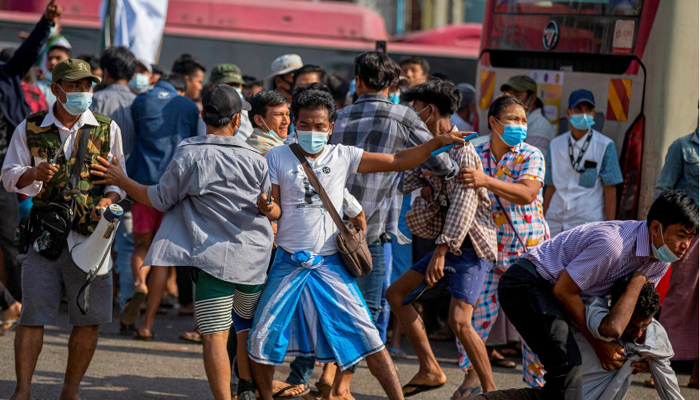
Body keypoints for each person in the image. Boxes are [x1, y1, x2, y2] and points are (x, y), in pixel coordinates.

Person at [248, 85, 468, 400]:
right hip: (289, 261)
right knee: (262, 338)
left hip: (332, 264)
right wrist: (268, 207)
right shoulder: (277, 155)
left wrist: (436, 143)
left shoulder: (343, 154)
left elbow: (396, 159)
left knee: (368, 338)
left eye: (319, 126)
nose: (312, 131)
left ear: (331, 127)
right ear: (295, 125)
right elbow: (278, 208)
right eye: (305, 125)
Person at [91, 84, 271, 400]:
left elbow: (160, 199)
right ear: (237, 119)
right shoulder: (257, 157)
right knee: (244, 327)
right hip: (255, 259)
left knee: (214, 336)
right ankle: (246, 386)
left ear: (203, 115)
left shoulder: (191, 152)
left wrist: (122, 181)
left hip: (214, 259)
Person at [489, 189, 697, 400]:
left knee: (571, 385)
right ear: (655, 228)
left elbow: (636, 312)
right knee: (568, 369)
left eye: (691, 238)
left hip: (562, 296)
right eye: (681, 236)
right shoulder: (613, 246)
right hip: (528, 284)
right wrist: (600, 344)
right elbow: (563, 291)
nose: (686, 246)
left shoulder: (661, 260)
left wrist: (642, 353)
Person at [2, 58, 126, 400]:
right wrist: (32, 175)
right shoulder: (29, 127)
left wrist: (109, 197)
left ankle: (70, 392)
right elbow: (10, 176)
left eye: (88, 86)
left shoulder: (107, 128)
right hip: (45, 236)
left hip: (92, 238)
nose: (84, 93)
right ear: (56, 89)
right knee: (32, 316)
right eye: (75, 86)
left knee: (88, 321)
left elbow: (120, 182)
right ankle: (22, 391)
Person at [385, 79, 499, 397]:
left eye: (413, 110)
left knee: (459, 321)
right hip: (446, 245)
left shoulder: (464, 151)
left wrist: (439, 253)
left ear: (429, 110)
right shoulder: (430, 148)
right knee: (396, 294)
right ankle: (430, 369)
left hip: (469, 247)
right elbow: (403, 178)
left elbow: (464, 206)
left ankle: (490, 391)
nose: (411, 116)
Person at [454, 95, 548, 395]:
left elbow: (527, 193)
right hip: (487, 253)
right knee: (472, 321)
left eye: (523, 120)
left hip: (528, 256)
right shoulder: (475, 151)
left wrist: (486, 181)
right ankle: (472, 379)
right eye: (513, 119)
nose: (520, 125)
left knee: (533, 327)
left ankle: (538, 388)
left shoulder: (531, 155)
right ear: (493, 123)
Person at [121, 72, 201, 340]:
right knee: (163, 257)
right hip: (173, 190)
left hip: (142, 185)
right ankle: (147, 323)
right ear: (181, 89)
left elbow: (132, 138)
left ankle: (138, 283)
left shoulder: (141, 101)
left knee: (141, 247)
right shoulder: (189, 106)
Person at [0, 0, 61, 313]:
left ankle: (18, 302)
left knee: (10, 242)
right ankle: (9, 304)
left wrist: (45, 23)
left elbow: (28, 52)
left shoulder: (6, 76)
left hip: (5, 176)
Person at [89, 45, 138, 331]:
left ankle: (92, 308)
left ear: (105, 72)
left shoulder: (95, 101)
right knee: (128, 248)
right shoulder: (140, 102)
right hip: (131, 187)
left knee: (96, 247)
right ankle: (128, 308)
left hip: (98, 187)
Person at [576, 278, 683, 400]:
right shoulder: (591, 313)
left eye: (644, 327)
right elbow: (610, 328)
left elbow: (669, 387)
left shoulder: (653, 337)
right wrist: (598, 344)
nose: (637, 334)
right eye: (632, 327)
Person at [543, 90, 623, 236]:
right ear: (568, 113)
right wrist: (542, 217)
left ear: (594, 114)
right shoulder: (555, 144)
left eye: (588, 109)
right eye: (578, 110)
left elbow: (610, 189)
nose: (584, 114)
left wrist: (611, 227)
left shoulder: (605, 146)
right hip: (555, 220)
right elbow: (550, 185)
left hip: (586, 222)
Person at [655, 127, 699, 389]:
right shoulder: (682, 147)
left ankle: (697, 374)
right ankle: (660, 365)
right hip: (691, 235)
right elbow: (663, 189)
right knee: (678, 299)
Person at [501, 76, 555, 155]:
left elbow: (532, 162)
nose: (510, 100)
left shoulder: (540, 128)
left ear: (532, 98)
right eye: (508, 95)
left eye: (517, 95)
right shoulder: (506, 121)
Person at [208, 64, 253, 140]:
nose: (232, 89)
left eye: (236, 84)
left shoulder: (248, 109)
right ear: (212, 86)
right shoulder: (207, 112)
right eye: (227, 85)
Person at [246, 90, 290, 155]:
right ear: (259, 120)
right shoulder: (273, 153)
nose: (286, 121)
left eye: (287, 114)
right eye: (278, 114)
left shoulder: (247, 145)